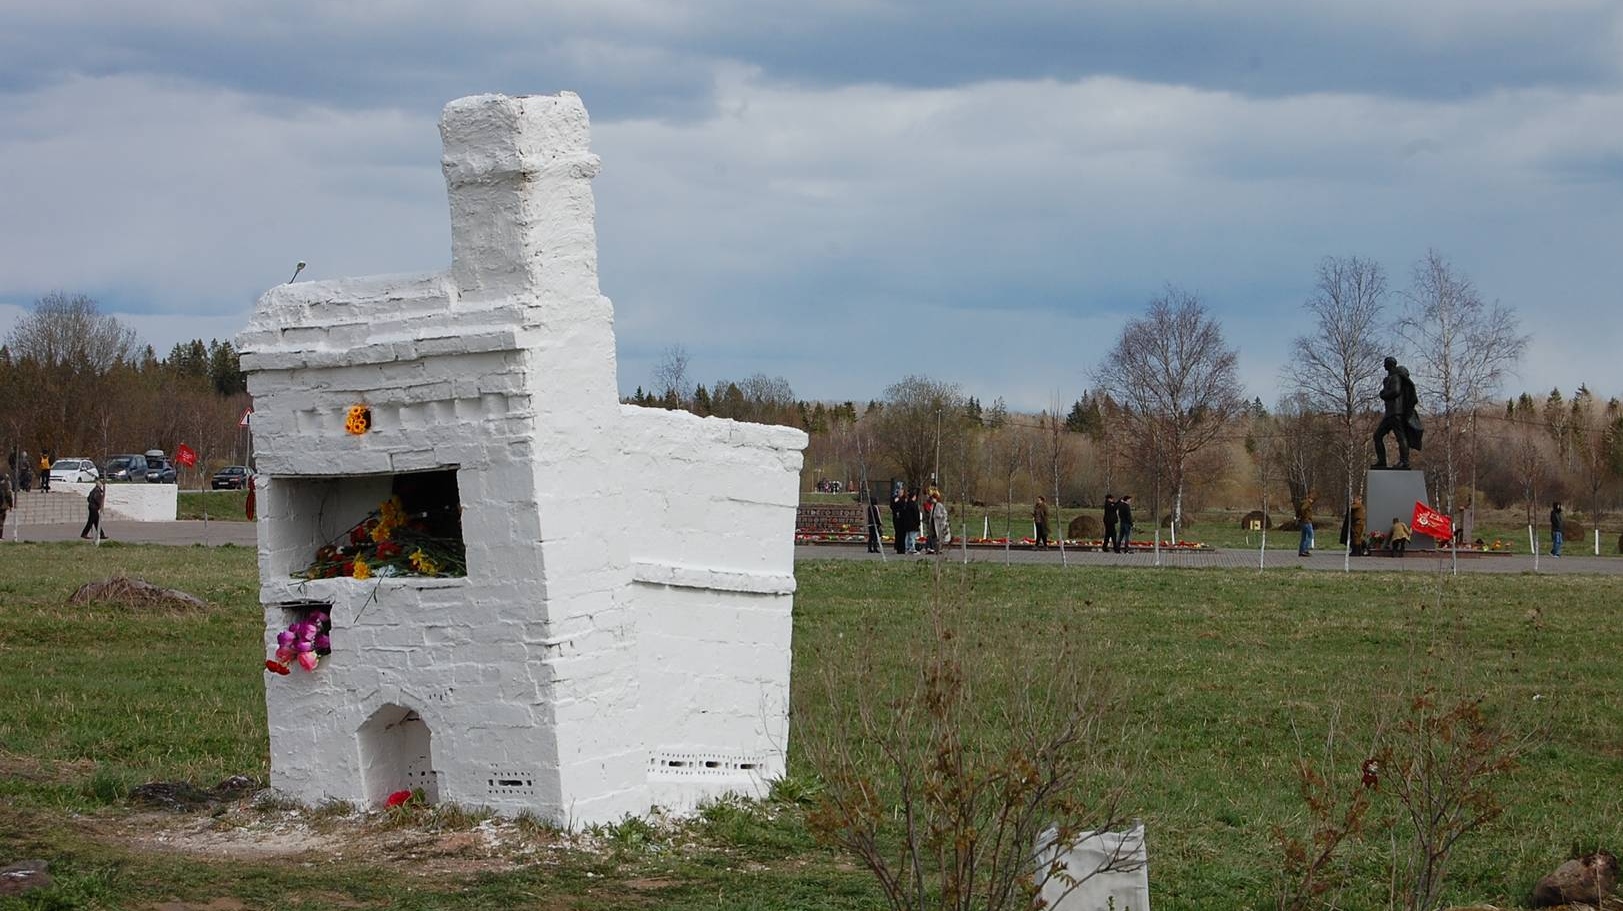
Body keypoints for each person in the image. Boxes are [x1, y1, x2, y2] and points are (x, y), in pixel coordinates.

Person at [1373, 356, 1422, 470]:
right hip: (1390, 413)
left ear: (1390, 364)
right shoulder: (1388, 379)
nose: (1384, 365)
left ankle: (1404, 462)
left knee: (1401, 437)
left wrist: (1383, 394)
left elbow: (1396, 391)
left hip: (1396, 412)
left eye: (1385, 363)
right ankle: (1382, 461)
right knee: (1377, 436)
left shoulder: (1395, 377)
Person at [930, 491, 951, 557]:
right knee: (935, 536)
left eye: (933, 498)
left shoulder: (939, 505)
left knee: (940, 536)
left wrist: (940, 517)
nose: (932, 500)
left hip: (939, 523)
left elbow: (945, 514)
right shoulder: (933, 505)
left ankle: (940, 549)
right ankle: (936, 548)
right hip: (934, 523)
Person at [902, 490, 921, 555]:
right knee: (912, 536)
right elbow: (916, 514)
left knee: (907, 536)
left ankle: (907, 548)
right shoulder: (914, 505)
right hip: (913, 523)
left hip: (906, 523)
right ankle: (912, 549)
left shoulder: (906, 504)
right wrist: (918, 522)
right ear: (914, 496)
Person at [890, 486, 907, 555]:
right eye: (899, 492)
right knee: (898, 532)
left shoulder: (904, 499)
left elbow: (905, 507)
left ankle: (902, 548)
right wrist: (895, 502)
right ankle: (897, 546)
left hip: (903, 518)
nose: (900, 493)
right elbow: (892, 506)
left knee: (903, 534)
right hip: (897, 518)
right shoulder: (894, 498)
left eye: (901, 492)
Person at [0, 473, 12, 539]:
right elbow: (8, 496)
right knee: (1, 521)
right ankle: (0, 536)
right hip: (2, 506)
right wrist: (10, 505)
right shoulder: (5, 486)